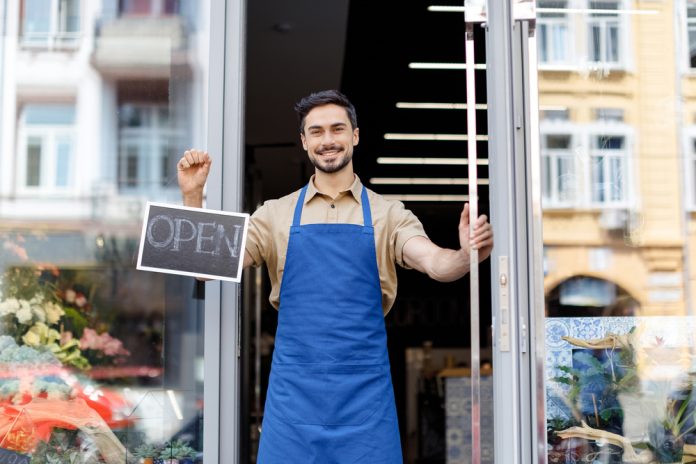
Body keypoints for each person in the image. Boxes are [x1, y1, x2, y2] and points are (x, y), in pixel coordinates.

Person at [176, 90, 493, 463]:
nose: (327, 140)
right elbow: (204, 269)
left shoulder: (387, 214)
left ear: (355, 136)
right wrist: (193, 197)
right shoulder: (274, 214)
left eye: (337, 129)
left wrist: (465, 255)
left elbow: (436, 264)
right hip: (295, 395)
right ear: (305, 142)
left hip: (364, 397)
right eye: (317, 132)